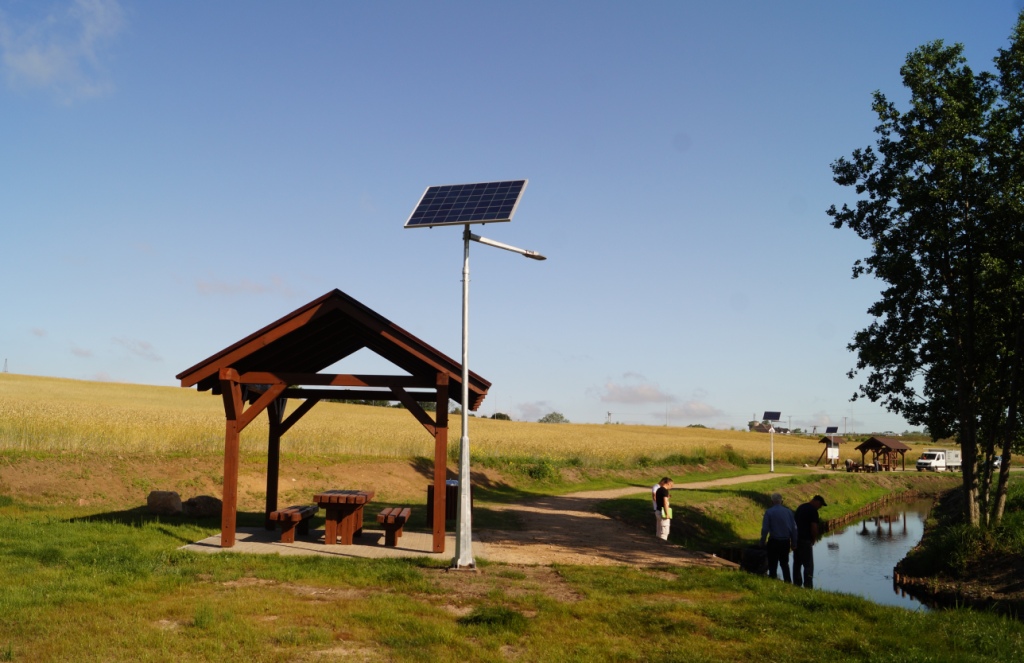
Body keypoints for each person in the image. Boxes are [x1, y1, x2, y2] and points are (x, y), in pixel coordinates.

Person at [760, 492, 797, 582]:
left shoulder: (769, 512)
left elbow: (765, 529)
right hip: (785, 541)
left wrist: (762, 541)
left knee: (772, 564)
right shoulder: (788, 512)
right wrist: (794, 542)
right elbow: (794, 528)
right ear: (782, 501)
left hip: (774, 541)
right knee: (785, 564)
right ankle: (788, 581)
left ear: (772, 502)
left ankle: (772, 581)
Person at [793, 494, 827, 588]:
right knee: (808, 565)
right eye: (820, 505)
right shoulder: (813, 511)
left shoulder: (801, 507)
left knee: (797, 563)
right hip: (806, 540)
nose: (820, 507)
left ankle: (797, 584)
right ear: (816, 501)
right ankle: (808, 585)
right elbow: (814, 527)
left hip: (797, 539)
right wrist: (814, 539)